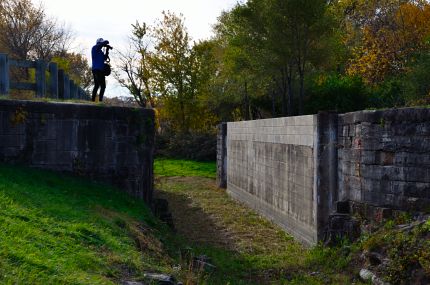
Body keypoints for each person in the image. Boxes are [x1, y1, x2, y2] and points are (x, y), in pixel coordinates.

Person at [91, 38, 110, 102]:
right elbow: (100, 45)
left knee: (102, 86)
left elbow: (104, 58)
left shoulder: (101, 52)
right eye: (101, 43)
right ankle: (93, 100)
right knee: (97, 85)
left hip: (101, 70)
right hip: (96, 69)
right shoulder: (94, 48)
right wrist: (104, 43)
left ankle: (99, 100)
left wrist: (107, 50)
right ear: (98, 43)